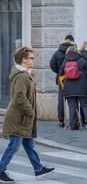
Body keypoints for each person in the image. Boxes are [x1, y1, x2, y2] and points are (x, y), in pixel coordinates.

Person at [0, 47, 55, 182]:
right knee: (14, 145)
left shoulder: (24, 74)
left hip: (23, 118)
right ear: (24, 60)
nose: (33, 60)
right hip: (19, 118)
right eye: (32, 58)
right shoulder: (22, 76)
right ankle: (1, 169)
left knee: (29, 145)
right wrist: (31, 111)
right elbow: (19, 97)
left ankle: (38, 169)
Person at [59, 46, 87, 130]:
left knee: (72, 106)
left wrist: (65, 78)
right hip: (82, 86)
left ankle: (73, 125)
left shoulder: (65, 60)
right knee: (85, 105)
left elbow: (60, 73)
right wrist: (85, 78)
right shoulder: (81, 59)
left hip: (68, 87)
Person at [49, 35, 76, 128]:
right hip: (73, 79)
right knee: (72, 99)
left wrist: (58, 72)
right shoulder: (74, 51)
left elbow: (52, 64)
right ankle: (74, 120)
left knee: (61, 99)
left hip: (61, 78)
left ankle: (61, 120)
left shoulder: (57, 52)